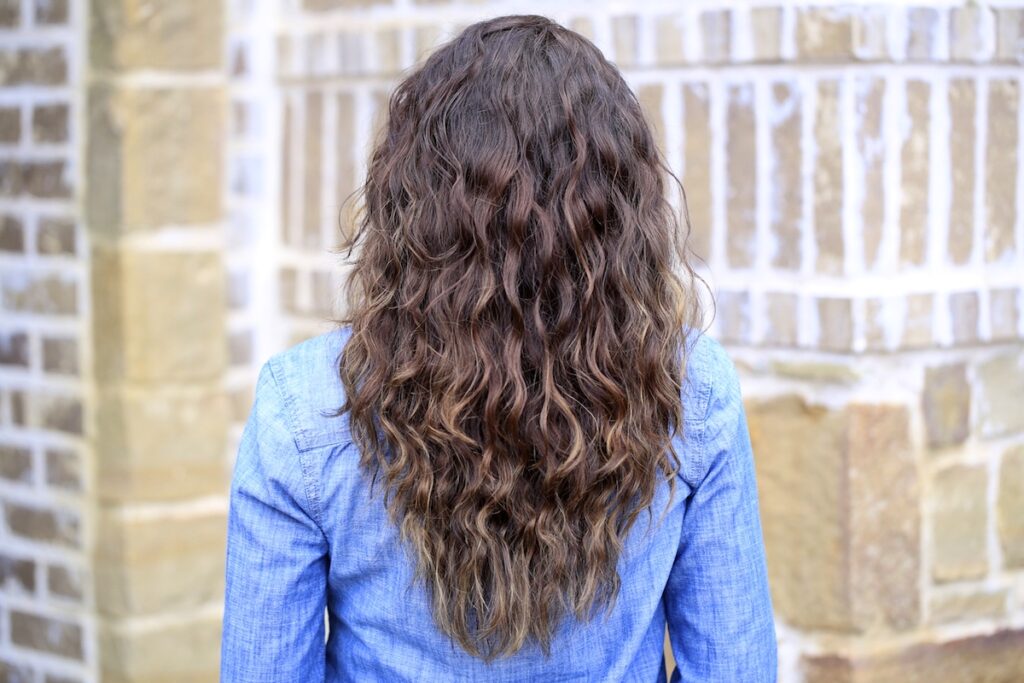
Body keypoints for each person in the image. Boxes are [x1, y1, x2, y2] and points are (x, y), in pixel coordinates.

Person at [220, 14, 776, 682]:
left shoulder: (305, 407)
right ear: (622, 214)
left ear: (410, 208)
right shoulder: (691, 389)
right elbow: (736, 666)